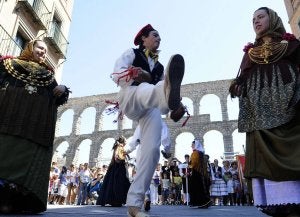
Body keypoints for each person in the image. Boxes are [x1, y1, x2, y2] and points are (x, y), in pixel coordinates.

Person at [229, 7, 300, 216]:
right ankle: (278, 203)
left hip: (289, 106)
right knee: (264, 157)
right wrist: (236, 85)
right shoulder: (250, 53)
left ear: (273, 18)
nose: (256, 22)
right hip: (258, 114)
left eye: (261, 17)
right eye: (253, 20)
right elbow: (242, 78)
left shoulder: (291, 45)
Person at [111, 24, 186, 217]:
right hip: (130, 97)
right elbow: (116, 74)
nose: (158, 38)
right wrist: (135, 74)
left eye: (160, 36)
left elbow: (161, 91)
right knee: (151, 88)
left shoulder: (160, 67)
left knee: (152, 151)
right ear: (143, 39)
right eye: (155, 35)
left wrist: (175, 110)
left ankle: (134, 206)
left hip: (150, 107)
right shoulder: (132, 53)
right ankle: (167, 96)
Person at [0, 39, 69, 214]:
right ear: (30, 47)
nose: (43, 52)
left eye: (46, 50)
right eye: (40, 48)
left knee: (21, 166)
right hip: (7, 120)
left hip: (33, 128)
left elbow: (57, 98)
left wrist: (62, 89)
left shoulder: (47, 75)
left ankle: (11, 201)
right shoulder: (8, 64)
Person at [96, 136, 131, 207]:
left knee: (112, 183)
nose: (126, 143)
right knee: (118, 183)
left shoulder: (118, 147)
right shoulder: (119, 147)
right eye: (125, 141)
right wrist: (123, 160)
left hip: (116, 168)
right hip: (118, 168)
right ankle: (116, 200)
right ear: (123, 142)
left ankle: (115, 200)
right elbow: (116, 157)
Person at [188, 140, 211, 208]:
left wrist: (189, 166)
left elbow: (193, 164)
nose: (191, 146)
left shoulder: (195, 153)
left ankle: (201, 203)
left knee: (197, 188)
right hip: (202, 173)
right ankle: (205, 202)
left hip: (196, 173)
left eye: (192, 145)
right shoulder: (201, 153)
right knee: (202, 188)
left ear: (196, 145)